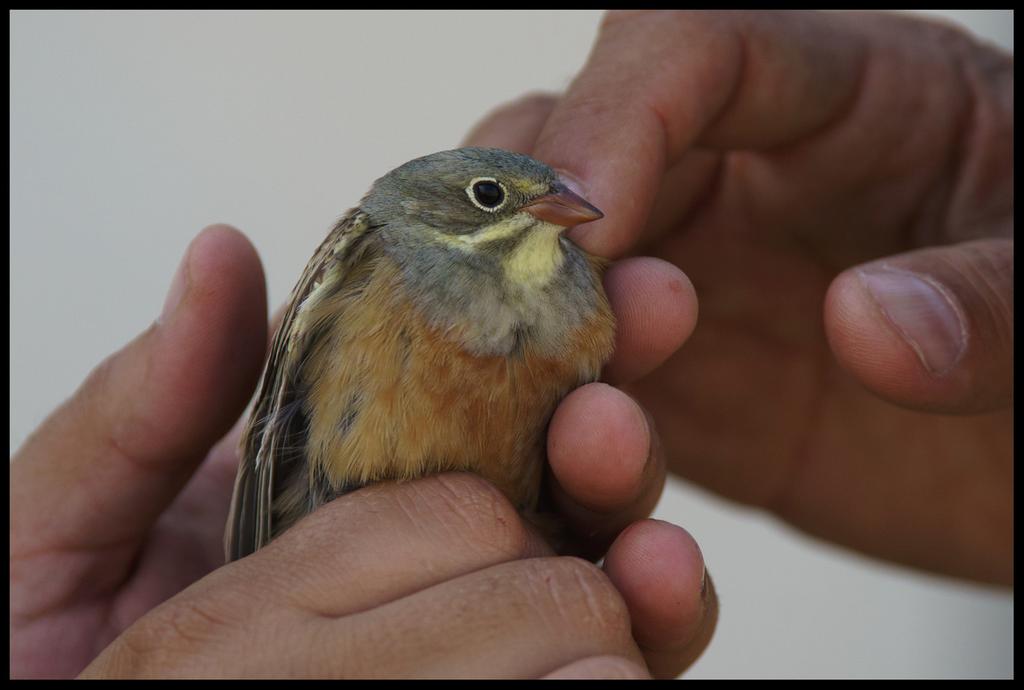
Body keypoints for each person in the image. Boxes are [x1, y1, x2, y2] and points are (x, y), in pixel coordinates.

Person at [10, 9, 1011, 679]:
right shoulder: (371, 246)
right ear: (437, 208)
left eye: (552, 198)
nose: (558, 211)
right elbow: (281, 428)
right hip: (322, 533)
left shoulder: (585, 304)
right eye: (497, 199)